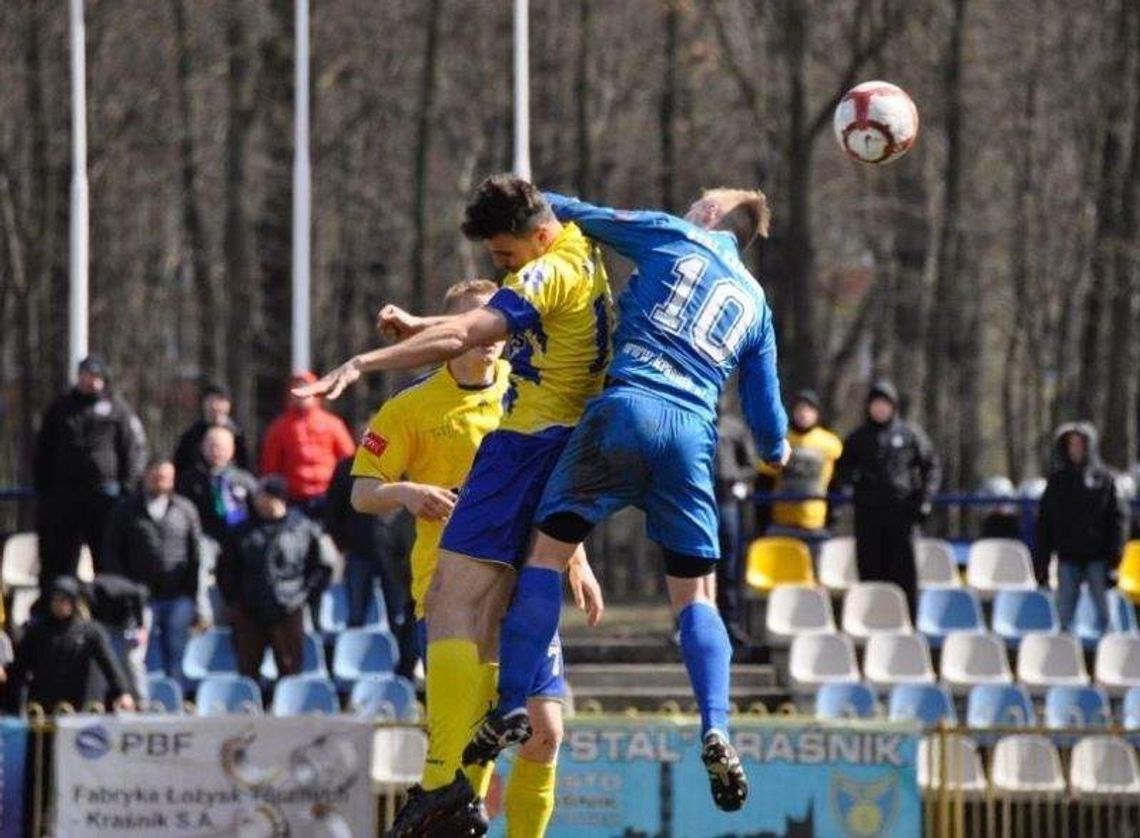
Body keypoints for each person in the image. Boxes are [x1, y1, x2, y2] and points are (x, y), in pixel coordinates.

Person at [460, 187, 790, 816]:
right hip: (692, 434)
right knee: (696, 596)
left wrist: (525, 193)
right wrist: (775, 452)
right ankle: (716, 726)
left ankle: (508, 708)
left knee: (547, 559)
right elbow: (770, 424)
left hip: (625, 407)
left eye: (702, 200)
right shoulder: (757, 304)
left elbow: (580, 211)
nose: (693, 203)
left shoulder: (675, 234)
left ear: (714, 217)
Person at [297, 176, 609, 836]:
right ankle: (443, 789)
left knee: (544, 732)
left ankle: (457, 796)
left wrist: (573, 554)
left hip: (525, 572)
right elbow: (359, 491)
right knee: (469, 752)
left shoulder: (519, 397)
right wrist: (407, 491)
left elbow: (480, 325)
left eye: (503, 268)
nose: (493, 335)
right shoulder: (413, 406)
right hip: (446, 577)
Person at [33, 355, 147, 588]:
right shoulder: (61, 408)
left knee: (106, 557)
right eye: (86, 376)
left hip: (105, 495)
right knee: (59, 559)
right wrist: (45, 490)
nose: (91, 382)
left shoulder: (117, 408)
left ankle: (108, 613)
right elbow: (42, 450)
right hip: (65, 497)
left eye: (96, 377)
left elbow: (133, 449)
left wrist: (128, 486)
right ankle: (56, 615)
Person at [832, 380, 940, 619]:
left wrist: (925, 500)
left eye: (885, 404)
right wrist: (855, 478)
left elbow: (931, 467)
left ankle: (908, 624)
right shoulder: (857, 438)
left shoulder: (910, 434)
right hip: (868, 517)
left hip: (902, 516)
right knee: (870, 572)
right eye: (875, 404)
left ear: (893, 406)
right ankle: (871, 624)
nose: (880, 409)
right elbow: (841, 471)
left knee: (904, 575)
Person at [216, 475, 329, 680]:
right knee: (247, 670)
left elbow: (320, 568)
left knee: (290, 669)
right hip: (249, 610)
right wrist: (236, 599)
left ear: (278, 499)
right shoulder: (241, 531)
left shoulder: (302, 528)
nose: (259, 501)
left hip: (288, 607)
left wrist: (303, 595)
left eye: (264, 497)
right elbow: (225, 569)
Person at [103, 459, 203, 691]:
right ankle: (140, 701)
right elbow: (111, 551)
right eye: (156, 476)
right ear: (146, 476)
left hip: (178, 596)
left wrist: (192, 595)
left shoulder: (185, 509)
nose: (161, 481)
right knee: (134, 655)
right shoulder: (126, 509)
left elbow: (196, 554)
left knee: (176, 655)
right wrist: (126, 590)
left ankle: (175, 703)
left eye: (166, 477)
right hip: (139, 599)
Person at [324, 449, 417, 677]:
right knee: (355, 617)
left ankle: (403, 672)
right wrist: (343, 543)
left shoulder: (406, 464)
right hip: (359, 555)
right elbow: (333, 508)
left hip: (397, 558)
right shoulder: (348, 468)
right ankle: (352, 674)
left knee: (401, 615)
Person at [1034, 423, 1126, 631]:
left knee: (1107, 618)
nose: (1075, 449)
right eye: (1071, 445)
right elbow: (1045, 524)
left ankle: (1112, 658)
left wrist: (1114, 561)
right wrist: (1042, 566)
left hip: (1099, 561)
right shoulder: (1057, 482)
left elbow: (1118, 521)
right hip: (1068, 559)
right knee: (1064, 619)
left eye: (1079, 444)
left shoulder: (1105, 480)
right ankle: (1067, 659)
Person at [5, 577, 136, 714]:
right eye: (55, 600)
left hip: (80, 708)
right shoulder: (37, 632)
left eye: (64, 600)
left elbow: (109, 663)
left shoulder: (90, 632)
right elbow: (19, 668)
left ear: (73, 602)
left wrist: (122, 692)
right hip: (43, 710)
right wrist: (10, 702)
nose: (59, 605)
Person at [259, 373, 356, 517]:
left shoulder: (333, 424)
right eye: (297, 389)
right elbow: (270, 467)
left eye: (306, 388)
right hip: (294, 500)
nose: (302, 394)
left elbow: (349, 460)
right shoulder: (279, 428)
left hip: (328, 496)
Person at [761, 389, 844, 546]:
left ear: (817, 413)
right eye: (799, 409)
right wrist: (763, 521)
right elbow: (765, 480)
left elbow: (837, 484)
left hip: (815, 523)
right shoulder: (779, 440)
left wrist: (833, 520)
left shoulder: (831, 443)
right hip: (781, 522)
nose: (803, 414)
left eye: (809, 409)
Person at [714, 395, 757, 648]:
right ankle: (683, 625)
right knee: (694, 565)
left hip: (728, 501)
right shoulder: (692, 421)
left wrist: (737, 480)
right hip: (699, 501)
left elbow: (751, 464)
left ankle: (731, 622)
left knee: (729, 566)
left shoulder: (735, 428)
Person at [172, 382, 250, 475]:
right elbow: (180, 465)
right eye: (210, 401)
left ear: (228, 404)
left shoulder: (237, 434)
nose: (214, 406)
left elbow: (245, 466)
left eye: (219, 401)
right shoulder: (191, 435)